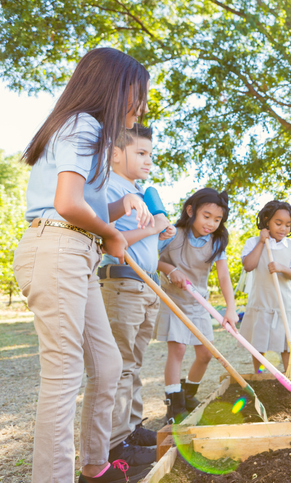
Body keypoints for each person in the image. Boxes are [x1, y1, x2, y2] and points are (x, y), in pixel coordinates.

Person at [13, 48, 153, 483]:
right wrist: (113, 235)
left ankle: (95, 466)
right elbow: (66, 206)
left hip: (77, 253)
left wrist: (119, 206)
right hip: (56, 250)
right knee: (64, 373)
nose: (143, 106)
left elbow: (83, 206)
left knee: (108, 364)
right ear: (115, 89)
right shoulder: (83, 125)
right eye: (139, 94)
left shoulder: (89, 132)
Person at [98, 124, 176, 466]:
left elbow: (144, 242)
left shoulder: (140, 191)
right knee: (121, 363)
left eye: (150, 155)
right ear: (116, 154)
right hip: (123, 283)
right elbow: (108, 239)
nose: (148, 161)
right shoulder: (109, 189)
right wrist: (152, 228)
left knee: (135, 362)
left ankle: (132, 426)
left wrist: (161, 236)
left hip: (146, 284)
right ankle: (116, 442)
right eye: (140, 154)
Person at [156, 188, 238, 423]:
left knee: (205, 354)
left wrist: (230, 308)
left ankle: (188, 395)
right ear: (191, 211)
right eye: (206, 216)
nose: (211, 223)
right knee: (178, 349)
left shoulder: (215, 242)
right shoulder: (173, 234)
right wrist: (171, 270)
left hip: (199, 302)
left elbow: (224, 277)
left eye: (217, 219)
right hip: (174, 301)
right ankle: (174, 405)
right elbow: (151, 259)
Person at [239, 200, 291, 373]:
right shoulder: (253, 242)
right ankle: (260, 376)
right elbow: (248, 266)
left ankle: (290, 376)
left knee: (286, 343)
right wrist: (261, 242)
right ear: (267, 220)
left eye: (288, 225)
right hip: (260, 302)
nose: (283, 228)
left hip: (283, 302)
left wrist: (282, 268)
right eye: (278, 223)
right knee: (258, 343)